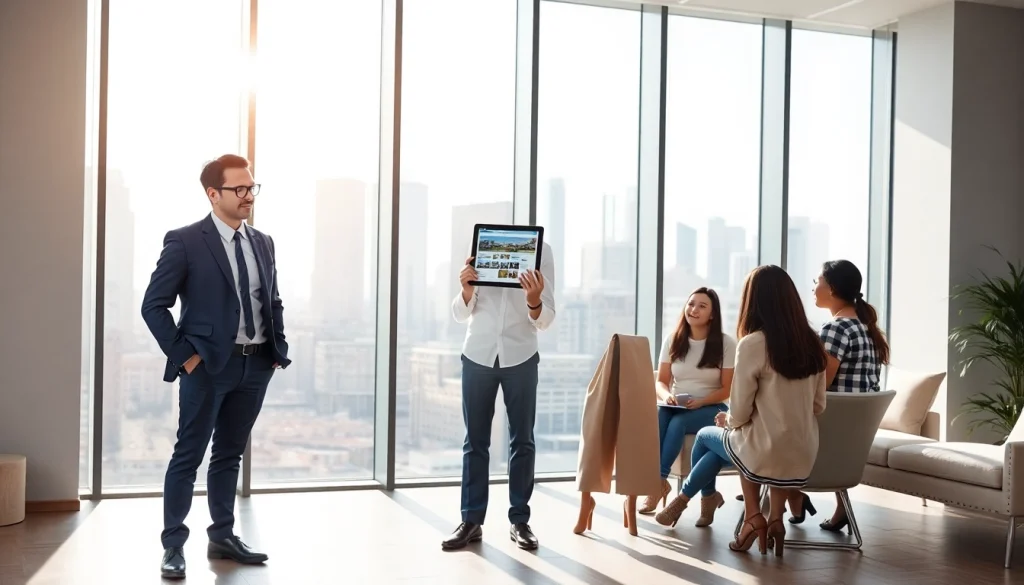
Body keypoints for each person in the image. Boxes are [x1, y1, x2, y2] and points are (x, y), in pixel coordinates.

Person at [142, 155, 290, 580]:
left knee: (229, 454)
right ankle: (173, 546)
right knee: (188, 456)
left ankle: (222, 535)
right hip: (206, 368)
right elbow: (153, 306)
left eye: (251, 187)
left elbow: (271, 299)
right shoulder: (186, 241)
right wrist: (186, 357)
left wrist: (277, 348)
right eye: (238, 189)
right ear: (213, 193)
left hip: (255, 365)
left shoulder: (263, 242)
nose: (248, 196)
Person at [656, 265, 826, 559]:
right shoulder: (812, 342)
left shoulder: (752, 344)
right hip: (803, 450)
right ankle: (774, 521)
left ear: (753, 301)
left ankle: (745, 513)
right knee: (743, 447)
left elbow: (741, 410)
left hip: (761, 449)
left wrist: (729, 420)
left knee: (707, 436)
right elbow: (818, 405)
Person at [441, 243, 556, 552]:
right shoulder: (481, 248)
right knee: (475, 442)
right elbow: (459, 313)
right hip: (478, 354)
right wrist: (466, 290)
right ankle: (471, 521)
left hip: (521, 355)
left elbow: (546, 319)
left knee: (523, 441)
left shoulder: (542, 252)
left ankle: (520, 521)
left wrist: (533, 301)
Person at [787, 259, 890, 532]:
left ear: (831, 288)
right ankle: (818, 502)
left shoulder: (836, 328)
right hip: (853, 435)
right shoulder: (866, 327)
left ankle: (787, 498)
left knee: (773, 428)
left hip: (830, 431)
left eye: (817, 281)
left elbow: (822, 384)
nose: (813, 287)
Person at [640, 287, 736, 529]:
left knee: (679, 422)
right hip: (679, 406)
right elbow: (661, 381)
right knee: (663, 413)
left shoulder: (726, 343)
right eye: (691, 304)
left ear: (712, 315)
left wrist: (701, 402)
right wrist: (667, 396)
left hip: (712, 407)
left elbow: (727, 389)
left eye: (702, 306)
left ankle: (658, 481)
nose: (694, 309)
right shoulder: (673, 339)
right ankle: (657, 483)